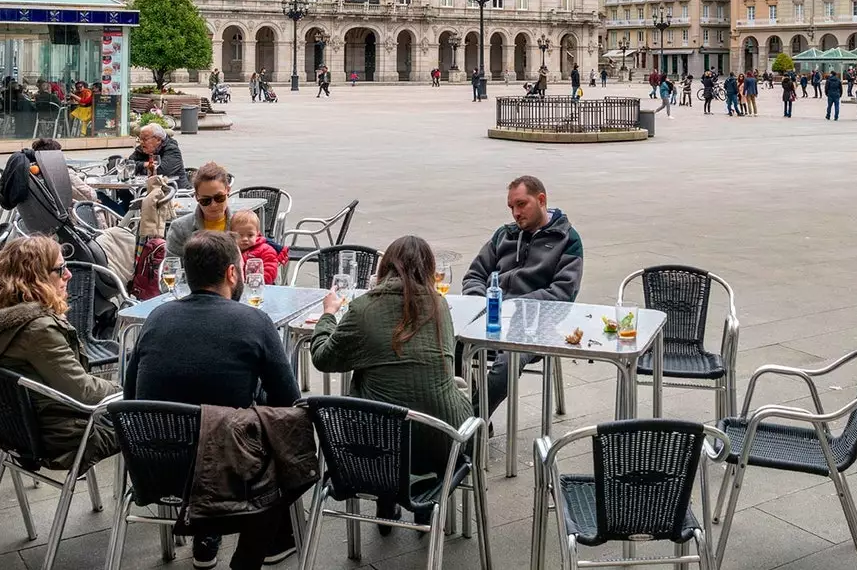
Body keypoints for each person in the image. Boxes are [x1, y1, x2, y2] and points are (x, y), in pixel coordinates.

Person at [125, 231, 300, 570]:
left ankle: (206, 535)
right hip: (226, 471)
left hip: (154, 464)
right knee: (284, 433)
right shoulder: (254, 320)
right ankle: (269, 542)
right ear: (233, 274)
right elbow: (289, 403)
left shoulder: (157, 317)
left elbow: (131, 393)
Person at [310, 235, 471, 524]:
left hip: (376, 447)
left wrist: (328, 315)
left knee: (368, 385)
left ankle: (386, 496)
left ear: (384, 268)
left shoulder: (363, 309)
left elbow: (322, 358)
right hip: (442, 440)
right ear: (429, 269)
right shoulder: (440, 306)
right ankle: (423, 501)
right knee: (452, 385)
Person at [0, 236, 119, 472]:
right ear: (34, 278)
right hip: (66, 437)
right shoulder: (38, 330)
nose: (68, 275)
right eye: (60, 269)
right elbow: (83, 392)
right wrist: (129, 391)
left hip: (19, 433)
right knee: (159, 416)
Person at [462, 176, 583, 416]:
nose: (515, 213)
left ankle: (470, 421)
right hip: (490, 317)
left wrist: (513, 307)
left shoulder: (567, 239)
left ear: (541, 200)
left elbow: (563, 294)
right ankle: (463, 408)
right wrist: (480, 305)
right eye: (511, 207)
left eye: (521, 204)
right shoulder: (503, 235)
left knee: (509, 360)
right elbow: (474, 275)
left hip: (534, 325)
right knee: (446, 343)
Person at [167, 161, 236, 257]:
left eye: (219, 198)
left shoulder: (244, 225)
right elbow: (172, 266)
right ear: (196, 197)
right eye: (206, 200)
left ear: (228, 190)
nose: (213, 205)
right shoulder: (180, 229)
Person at [231, 208, 287, 283]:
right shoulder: (230, 250)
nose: (245, 239)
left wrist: (258, 282)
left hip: (259, 286)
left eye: (250, 235)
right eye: (240, 235)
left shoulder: (266, 250)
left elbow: (270, 270)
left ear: (257, 233)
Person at [128, 123, 187, 188]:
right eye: (140, 139)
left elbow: (160, 172)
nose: (141, 142)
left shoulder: (172, 150)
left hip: (172, 191)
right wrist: (144, 164)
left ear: (158, 140)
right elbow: (128, 165)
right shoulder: (141, 149)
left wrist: (138, 170)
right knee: (123, 193)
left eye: (145, 139)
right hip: (147, 190)